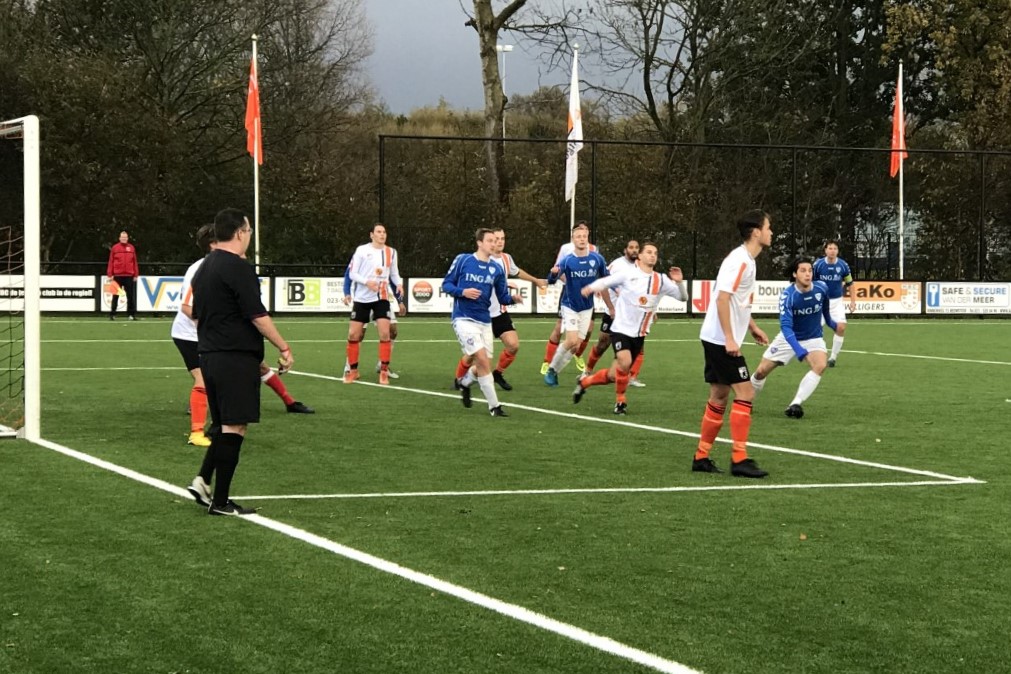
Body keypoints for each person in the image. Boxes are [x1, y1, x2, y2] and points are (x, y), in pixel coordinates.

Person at [184, 208, 295, 516]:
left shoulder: (204, 267)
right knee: (235, 426)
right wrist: (283, 346)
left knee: (223, 424)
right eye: (248, 231)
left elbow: (193, 311)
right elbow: (257, 315)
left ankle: (203, 480)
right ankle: (220, 501)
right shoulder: (236, 267)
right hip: (234, 355)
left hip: (209, 353)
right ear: (240, 233)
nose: (249, 236)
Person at [173, 225, 313, 450]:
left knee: (258, 366)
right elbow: (187, 307)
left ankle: (289, 401)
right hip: (189, 335)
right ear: (213, 244)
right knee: (203, 381)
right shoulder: (201, 268)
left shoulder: (228, 267)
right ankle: (197, 432)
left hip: (216, 336)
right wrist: (212, 325)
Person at [692, 210, 773, 479]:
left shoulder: (747, 261)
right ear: (756, 232)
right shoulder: (739, 260)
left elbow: (738, 301)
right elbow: (722, 299)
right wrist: (729, 338)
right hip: (719, 339)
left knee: (718, 396)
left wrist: (752, 327)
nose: (771, 232)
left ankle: (701, 456)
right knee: (746, 393)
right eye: (768, 227)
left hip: (717, 337)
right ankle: (739, 458)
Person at [573, 242, 687, 414]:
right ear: (640, 256)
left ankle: (584, 383)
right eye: (648, 252)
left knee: (614, 375)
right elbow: (606, 281)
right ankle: (620, 402)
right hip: (620, 329)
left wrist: (679, 283)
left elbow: (683, 297)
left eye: (655, 253)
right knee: (625, 363)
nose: (652, 255)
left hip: (639, 333)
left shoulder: (661, 280)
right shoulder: (628, 274)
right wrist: (590, 288)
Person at [442, 228, 523, 417]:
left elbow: (502, 297)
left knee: (483, 364)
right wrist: (463, 292)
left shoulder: (496, 269)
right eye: (490, 240)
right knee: (481, 359)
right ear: (479, 243)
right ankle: (494, 406)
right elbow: (446, 284)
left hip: (485, 321)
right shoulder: (463, 260)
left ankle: (465, 382)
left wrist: (513, 299)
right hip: (463, 318)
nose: (494, 244)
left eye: (496, 241)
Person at [453, 227, 546, 391]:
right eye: (496, 239)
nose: (500, 242)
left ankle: (497, 373)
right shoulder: (480, 260)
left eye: (503, 238)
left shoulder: (506, 258)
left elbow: (517, 272)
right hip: (479, 314)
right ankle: (460, 379)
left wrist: (535, 280)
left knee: (513, 345)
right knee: (473, 355)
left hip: (499, 313)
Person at [750, 258, 839, 418]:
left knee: (820, 365)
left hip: (813, 337)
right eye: (803, 271)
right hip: (788, 338)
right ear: (794, 274)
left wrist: (831, 323)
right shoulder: (788, 296)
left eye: (810, 270)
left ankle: (795, 403)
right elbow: (786, 327)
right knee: (761, 372)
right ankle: (746, 401)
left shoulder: (821, 288)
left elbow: (825, 307)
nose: (807, 274)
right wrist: (798, 349)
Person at [544, 225, 611, 386]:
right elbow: (552, 280)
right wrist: (553, 274)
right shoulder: (567, 260)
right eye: (578, 236)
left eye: (584, 236)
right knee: (571, 340)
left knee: (577, 347)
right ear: (573, 240)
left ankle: (555, 372)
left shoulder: (597, 259)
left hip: (587, 307)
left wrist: (613, 297)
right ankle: (551, 369)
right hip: (570, 305)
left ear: (587, 238)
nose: (581, 239)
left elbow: (607, 279)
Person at [583, 239, 650, 387]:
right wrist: (611, 308)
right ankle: (587, 371)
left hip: (633, 315)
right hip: (614, 312)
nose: (634, 250)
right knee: (603, 342)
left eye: (636, 248)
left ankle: (632, 377)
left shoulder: (642, 267)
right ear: (625, 250)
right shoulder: (617, 265)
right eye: (631, 247)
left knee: (638, 346)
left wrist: (650, 310)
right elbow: (604, 285)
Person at [344, 223, 404, 385]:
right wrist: (366, 282)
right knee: (353, 335)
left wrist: (399, 284)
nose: (382, 234)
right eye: (379, 232)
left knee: (385, 334)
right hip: (362, 299)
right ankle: (353, 371)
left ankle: (383, 372)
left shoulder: (391, 252)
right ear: (372, 235)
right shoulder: (362, 250)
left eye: (384, 232)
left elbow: (394, 274)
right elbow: (352, 273)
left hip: (381, 297)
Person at [812, 240, 855, 367]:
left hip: (836, 303)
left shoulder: (843, 265)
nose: (832, 251)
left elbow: (850, 283)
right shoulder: (818, 265)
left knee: (841, 327)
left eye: (835, 248)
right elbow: (811, 282)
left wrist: (853, 302)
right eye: (830, 248)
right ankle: (816, 355)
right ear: (825, 250)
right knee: (815, 331)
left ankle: (833, 358)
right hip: (820, 302)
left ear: (838, 251)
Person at [106, 230, 139, 320]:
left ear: (127, 238)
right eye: (122, 237)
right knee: (115, 295)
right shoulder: (115, 248)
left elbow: (134, 262)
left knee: (130, 296)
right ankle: (112, 314)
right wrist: (110, 274)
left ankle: (131, 315)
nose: (124, 239)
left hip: (129, 275)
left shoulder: (131, 248)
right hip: (117, 275)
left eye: (125, 237)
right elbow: (111, 261)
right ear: (120, 238)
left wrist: (136, 274)